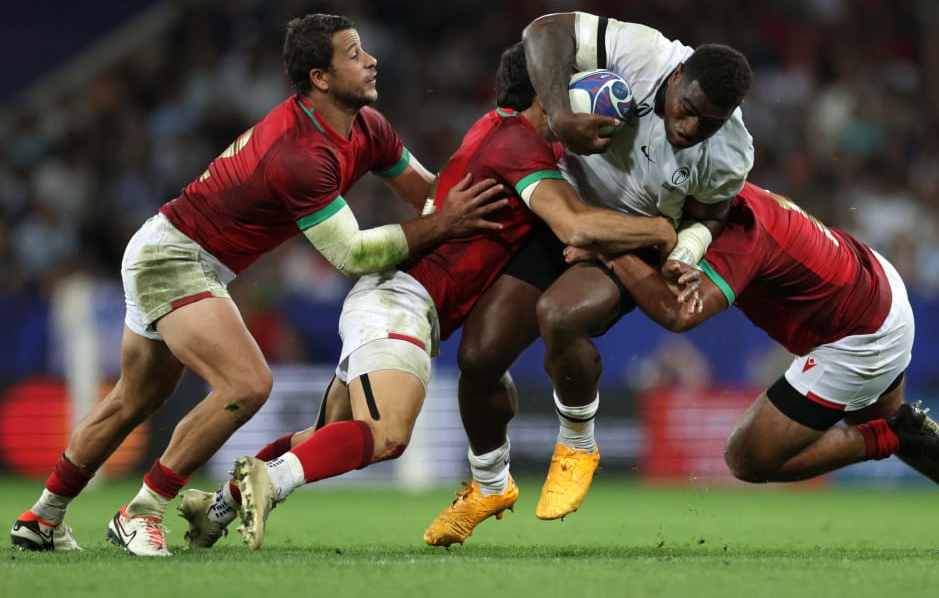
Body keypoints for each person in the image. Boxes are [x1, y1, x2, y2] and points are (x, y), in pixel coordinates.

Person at [8, 13, 507, 557]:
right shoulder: (300, 154)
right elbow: (353, 253)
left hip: (173, 249)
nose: (371, 60)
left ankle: (44, 517)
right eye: (354, 53)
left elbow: (428, 196)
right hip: (173, 257)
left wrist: (473, 217)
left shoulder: (368, 127)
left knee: (134, 399)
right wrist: (445, 223)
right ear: (320, 77)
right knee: (246, 384)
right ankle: (142, 511)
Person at [174, 41, 677, 550]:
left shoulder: (506, 131)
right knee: (387, 435)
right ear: (548, 94)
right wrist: (658, 229)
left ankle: (215, 508)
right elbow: (572, 223)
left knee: (326, 435)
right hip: (401, 301)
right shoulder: (517, 145)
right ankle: (271, 482)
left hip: (393, 299)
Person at [425, 10, 755, 545]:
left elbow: (711, 213)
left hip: (631, 243)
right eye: (687, 110)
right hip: (567, 215)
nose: (689, 128)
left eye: (708, 123)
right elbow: (542, 32)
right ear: (675, 79)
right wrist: (558, 113)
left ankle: (578, 443)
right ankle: (489, 485)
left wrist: (688, 248)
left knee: (559, 316)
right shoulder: (646, 53)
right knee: (477, 359)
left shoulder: (732, 151)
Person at [596, 182, 939, 552]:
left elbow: (677, 313)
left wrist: (610, 249)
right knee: (883, 419)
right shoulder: (731, 199)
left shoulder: (740, 235)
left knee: (747, 458)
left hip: (858, 333)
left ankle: (889, 436)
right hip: (872, 286)